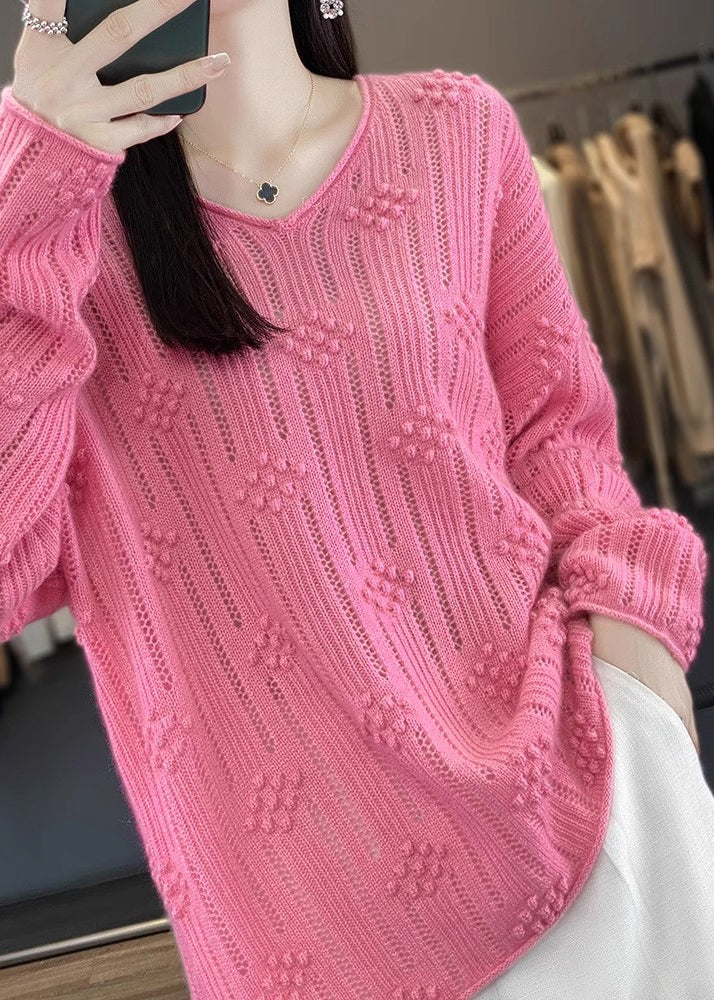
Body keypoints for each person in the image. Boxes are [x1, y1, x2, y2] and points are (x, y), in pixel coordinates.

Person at [2, 2, 714, 998]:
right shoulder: (46, 227)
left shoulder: (458, 130)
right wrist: (30, 184)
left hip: (592, 802)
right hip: (309, 922)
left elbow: (557, 435)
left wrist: (636, 651)